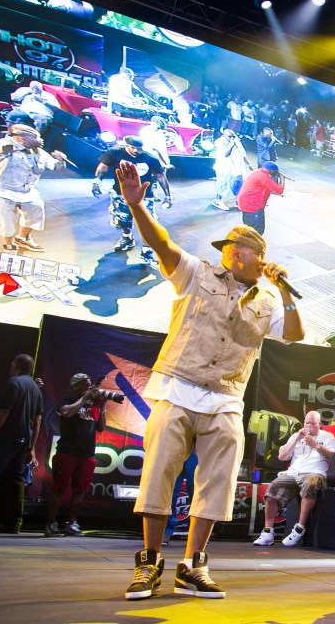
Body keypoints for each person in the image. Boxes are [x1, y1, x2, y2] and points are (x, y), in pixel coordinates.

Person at [115, 160, 304, 600]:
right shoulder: (196, 273)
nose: (264, 260)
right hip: (178, 388)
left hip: (225, 398)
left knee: (217, 484)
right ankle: (149, 562)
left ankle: (193, 565)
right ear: (238, 253)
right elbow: (160, 243)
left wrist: (287, 291)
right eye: (258, 253)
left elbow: (294, 335)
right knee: (159, 476)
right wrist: (137, 207)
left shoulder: (268, 297)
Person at [0, 354, 43, 534]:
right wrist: (31, 446)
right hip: (23, 442)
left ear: (16, 365)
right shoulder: (36, 389)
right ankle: (13, 524)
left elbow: (4, 412)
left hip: (6, 439)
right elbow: (37, 420)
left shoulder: (13, 383)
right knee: (15, 482)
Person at [253, 411, 335, 548]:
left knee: (312, 484)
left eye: (313, 423)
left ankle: (299, 528)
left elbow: (334, 458)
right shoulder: (295, 436)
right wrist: (297, 438)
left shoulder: (328, 437)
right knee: (273, 487)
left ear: (320, 424)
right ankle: (268, 532)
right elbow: (282, 456)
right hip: (293, 472)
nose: (309, 426)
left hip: (315, 471)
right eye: (307, 423)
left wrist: (316, 446)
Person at [0, 123, 67, 253]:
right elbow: (2, 149)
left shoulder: (37, 151)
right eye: (36, 137)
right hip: (1, 190)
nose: (41, 140)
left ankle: (23, 238)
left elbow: (56, 167)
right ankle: (9, 246)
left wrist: (60, 160)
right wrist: (20, 145)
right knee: (5, 219)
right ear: (23, 138)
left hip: (26, 190)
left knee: (35, 210)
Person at [44, 374, 107, 537]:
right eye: (85, 384)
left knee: (80, 491)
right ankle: (51, 523)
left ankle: (72, 523)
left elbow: (100, 427)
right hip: (67, 451)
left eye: (89, 384)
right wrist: (85, 397)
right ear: (75, 386)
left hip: (87, 453)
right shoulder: (67, 400)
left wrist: (102, 406)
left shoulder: (94, 404)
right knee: (59, 489)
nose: (89, 387)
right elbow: (65, 412)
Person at [93, 135, 170, 266]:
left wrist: (168, 196)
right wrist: (97, 181)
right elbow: (103, 167)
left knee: (148, 225)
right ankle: (127, 238)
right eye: (133, 148)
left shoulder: (149, 158)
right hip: (121, 194)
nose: (136, 151)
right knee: (123, 220)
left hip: (144, 196)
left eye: (139, 149)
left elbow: (160, 176)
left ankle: (146, 252)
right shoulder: (115, 153)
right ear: (126, 145)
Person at [236, 161, 285, 235]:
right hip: (252, 205)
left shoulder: (257, 172)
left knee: (250, 226)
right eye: (276, 172)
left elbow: (266, 187)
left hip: (245, 202)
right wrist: (282, 178)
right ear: (271, 171)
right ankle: (251, 244)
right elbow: (280, 190)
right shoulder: (264, 177)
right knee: (258, 230)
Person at [211, 128, 250, 211]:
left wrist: (249, 163)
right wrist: (232, 145)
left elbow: (243, 153)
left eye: (233, 136)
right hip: (224, 168)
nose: (232, 138)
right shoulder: (219, 142)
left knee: (237, 184)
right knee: (222, 183)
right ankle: (217, 200)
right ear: (224, 135)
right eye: (230, 136)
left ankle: (237, 201)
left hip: (237, 168)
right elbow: (225, 154)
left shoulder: (237, 141)